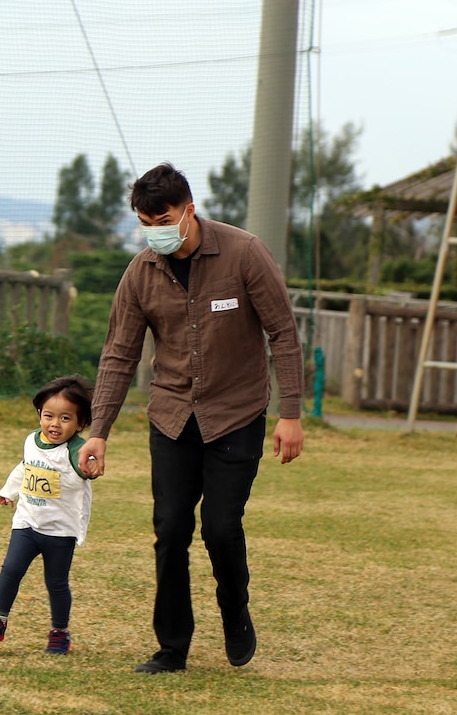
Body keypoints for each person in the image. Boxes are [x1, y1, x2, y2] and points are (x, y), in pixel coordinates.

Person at [78, 162, 305, 674]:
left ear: (189, 209)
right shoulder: (140, 272)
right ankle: (172, 646)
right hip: (172, 416)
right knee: (170, 528)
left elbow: (284, 334)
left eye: (164, 217)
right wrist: (99, 432)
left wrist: (289, 414)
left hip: (237, 413)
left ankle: (235, 609)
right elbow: (119, 354)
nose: (155, 229)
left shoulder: (244, 253)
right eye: (145, 221)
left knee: (221, 529)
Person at [0, 374, 102, 655]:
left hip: (60, 531)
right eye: (48, 416)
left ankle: (59, 632)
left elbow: (86, 468)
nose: (55, 424)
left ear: (80, 423)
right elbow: (24, 467)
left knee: (56, 583)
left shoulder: (76, 451)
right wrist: (8, 491)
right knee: (11, 570)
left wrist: (90, 467)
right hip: (27, 523)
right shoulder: (32, 440)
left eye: (65, 418)